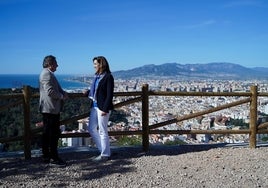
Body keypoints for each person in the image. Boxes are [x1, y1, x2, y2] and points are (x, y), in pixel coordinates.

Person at [39, 55, 68, 166]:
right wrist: (62, 96)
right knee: (53, 134)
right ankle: (53, 158)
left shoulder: (48, 73)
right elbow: (50, 91)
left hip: (49, 108)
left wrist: (62, 92)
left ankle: (46, 156)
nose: (57, 65)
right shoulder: (46, 74)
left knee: (48, 133)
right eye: (56, 63)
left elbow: (55, 88)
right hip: (50, 108)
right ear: (50, 64)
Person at [86, 56, 114, 162]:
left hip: (102, 108)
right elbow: (95, 90)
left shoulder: (108, 77)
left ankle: (105, 154)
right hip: (94, 106)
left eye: (95, 64)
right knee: (92, 129)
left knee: (102, 131)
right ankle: (103, 149)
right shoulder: (96, 77)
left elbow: (109, 94)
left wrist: (105, 109)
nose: (94, 66)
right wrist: (88, 92)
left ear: (101, 64)